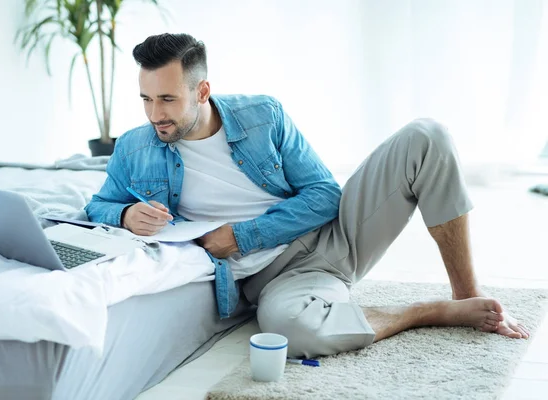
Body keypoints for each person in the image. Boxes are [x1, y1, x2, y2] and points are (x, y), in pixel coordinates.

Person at [85, 33, 529, 358]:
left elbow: (324, 195)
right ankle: (427, 311)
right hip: (279, 282)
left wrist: (243, 235)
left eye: (167, 99)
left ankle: (467, 295)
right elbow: (97, 206)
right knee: (293, 333)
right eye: (145, 99)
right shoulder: (134, 147)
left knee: (427, 136)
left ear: (202, 91)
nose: (155, 115)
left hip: (335, 237)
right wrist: (125, 215)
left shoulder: (262, 116)